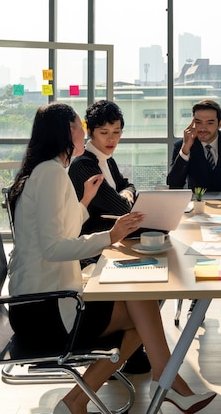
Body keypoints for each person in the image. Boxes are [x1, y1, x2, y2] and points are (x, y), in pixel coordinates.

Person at [7, 102, 216, 414]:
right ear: (68, 132)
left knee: (138, 310)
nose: (84, 132)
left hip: (45, 300)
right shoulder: (50, 174)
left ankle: (82, 400)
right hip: (44, 309)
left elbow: (64, 229)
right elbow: (53, 248)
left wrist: (85, 202)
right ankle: (165, 379)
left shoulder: (49, 171)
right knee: (139, 305)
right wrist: (112, 235)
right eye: (79, 126)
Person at [67, 100, 149, 375]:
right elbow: (123, 207)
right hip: (92, 252)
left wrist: (126, 194)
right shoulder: (84, 166)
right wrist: (126, 197)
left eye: (117, 132)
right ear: (90, 132)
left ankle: (133, 353)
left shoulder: (105, 159)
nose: (112, 139)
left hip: (111, 243)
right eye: (105, 133)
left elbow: (129, 187)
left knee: (153, 273)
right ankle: (125, 351)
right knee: (152, 278)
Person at [167, 99, 221, 327]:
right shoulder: (182, 146)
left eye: (209, 122)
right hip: (196, 212)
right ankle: (198, 300)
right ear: (191, 123)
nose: (203, 128)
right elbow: (174, 184)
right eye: (198, 122)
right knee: (199, 247)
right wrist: (186, 148)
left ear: (220, 123)